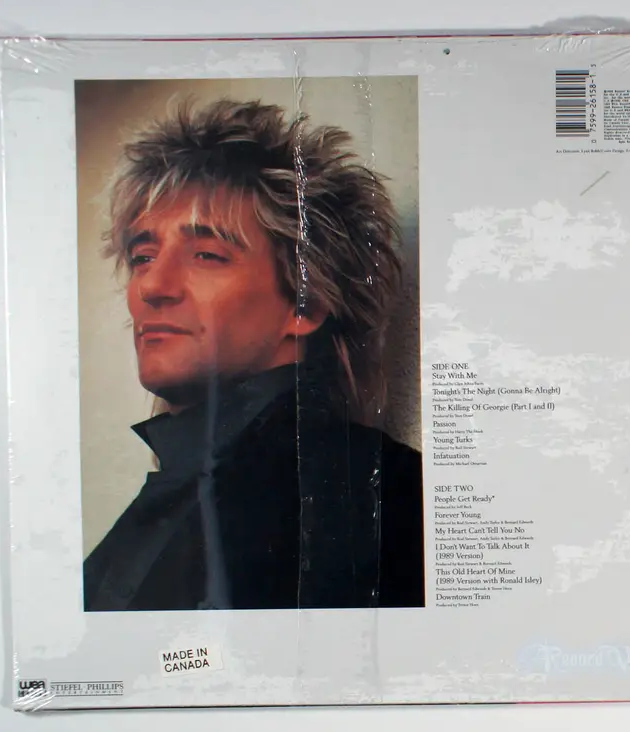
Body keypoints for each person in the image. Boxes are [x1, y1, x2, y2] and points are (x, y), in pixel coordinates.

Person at [83, 98, 425, 611]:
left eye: (207, 255)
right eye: (143, 256)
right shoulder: (175, 487)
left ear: (306, 304)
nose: (151, 285)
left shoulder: (382, 493)